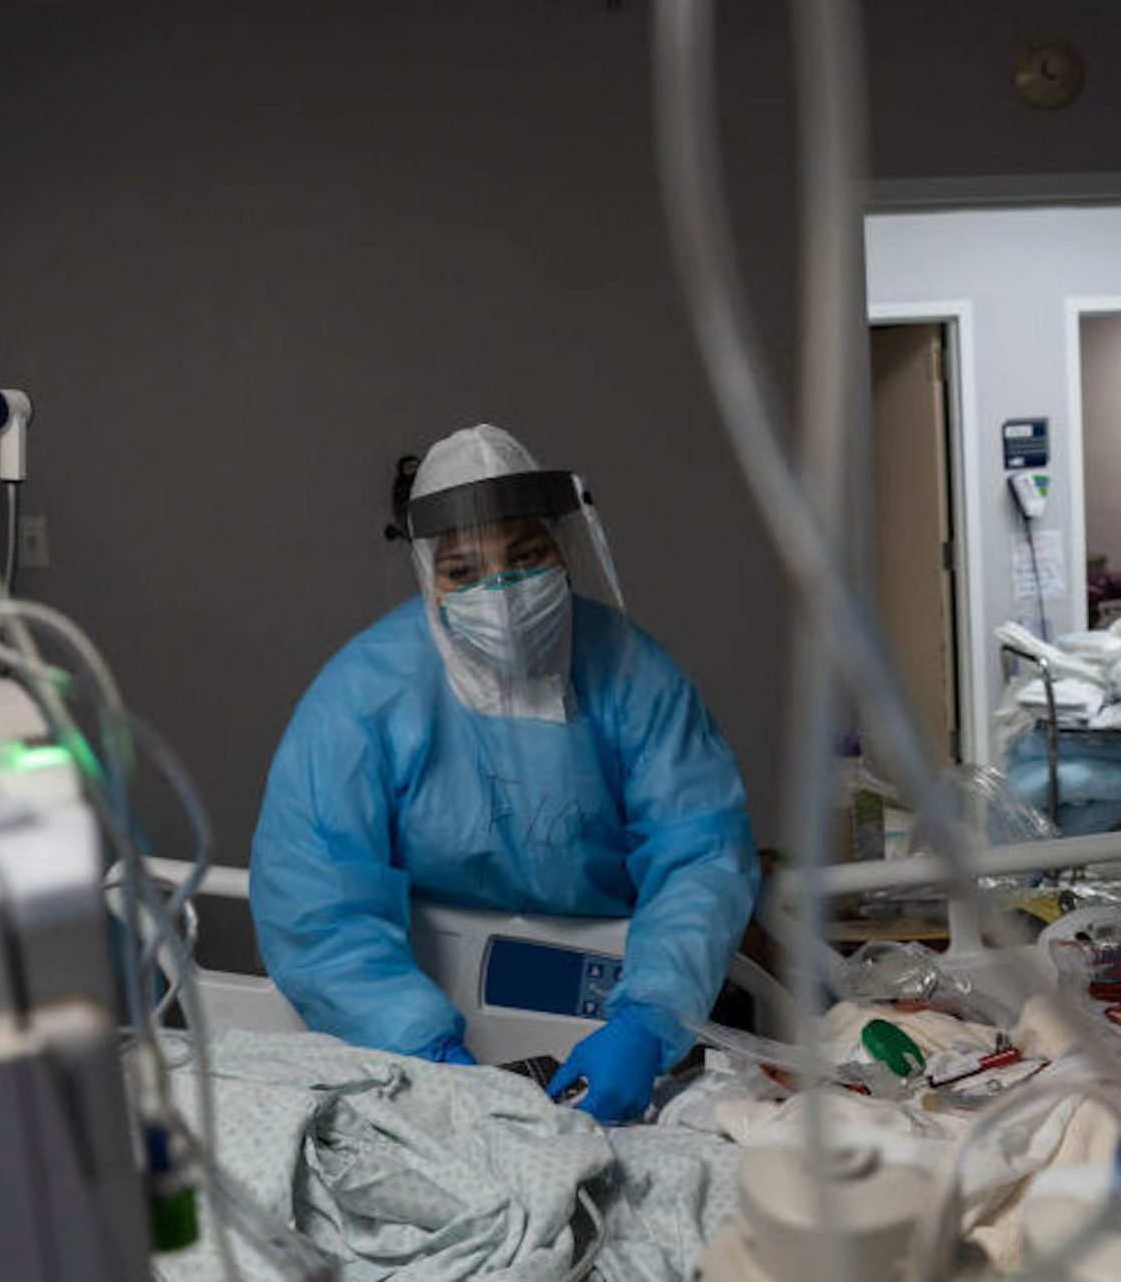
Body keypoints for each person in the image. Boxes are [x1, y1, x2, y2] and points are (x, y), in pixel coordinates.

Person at [250, 423, 758, 1123]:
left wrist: (648, 1020)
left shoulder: (634, 674)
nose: (503, 591)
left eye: (525, 555)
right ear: (428, 572)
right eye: (464, 570)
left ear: (562, 546)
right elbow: (316, 906)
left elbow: (700, 854)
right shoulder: (363, 695)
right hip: (420, 1018)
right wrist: (426, 1053)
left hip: (613, 1003)